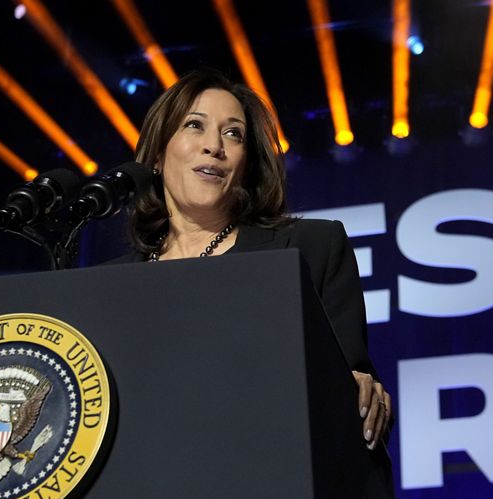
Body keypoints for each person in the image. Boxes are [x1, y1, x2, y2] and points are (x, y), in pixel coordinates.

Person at [114, 69, 391, 446]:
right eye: (195, 125)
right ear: (159, 154)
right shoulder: (111, 287)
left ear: (245, 166)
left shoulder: (309, 249)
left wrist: (358, 392)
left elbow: (353, 391)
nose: (215, 145)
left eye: (233, 133)